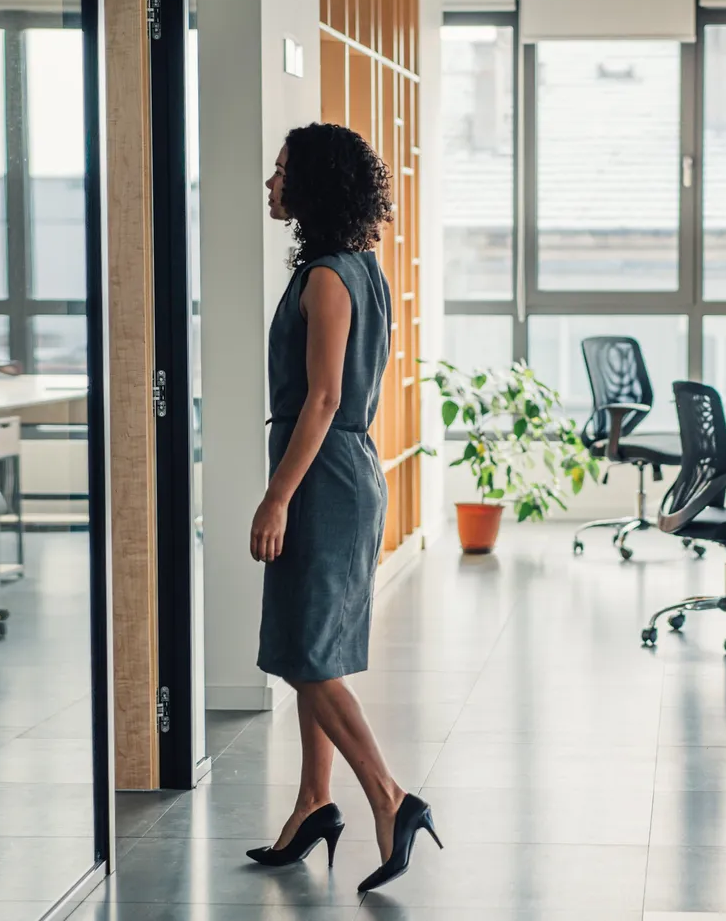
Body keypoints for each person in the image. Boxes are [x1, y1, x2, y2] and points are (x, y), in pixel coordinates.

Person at [245, 123, 441, 893]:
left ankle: (390, 800)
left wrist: (275, 497)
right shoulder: (362, 267)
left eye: (281, 172)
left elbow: (323, 398)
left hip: (320, 474)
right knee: (308, 650)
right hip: (343, 466)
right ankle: (311, 804)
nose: (270, 184)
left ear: (312, 187)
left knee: (312, 658)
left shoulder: (327, 277)